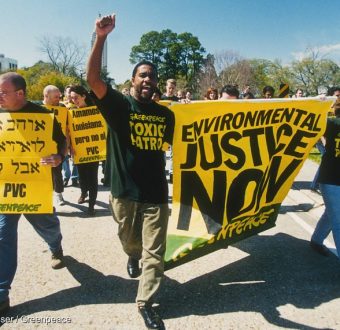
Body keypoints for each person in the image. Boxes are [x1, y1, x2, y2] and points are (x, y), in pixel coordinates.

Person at [87, 13, 175, 330]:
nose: (148, 79)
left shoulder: (167, 116)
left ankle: (146, 303)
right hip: (123, 193)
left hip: (156, 196)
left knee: (156, 251)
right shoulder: (118, 106)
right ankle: (131, 254)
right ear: (133, 80)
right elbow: (94, 80)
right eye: (142, 75)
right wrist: (101, 37)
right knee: (130, 242)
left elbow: (173, 149)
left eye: (152, 75)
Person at [0, 72, 66, 317]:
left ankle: (56, 246)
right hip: (7, 190)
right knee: (2, 235)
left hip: (35, 187)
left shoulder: (44, 116)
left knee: (47, 225)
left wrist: (59, 157)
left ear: (20, 93)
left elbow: (62, 142)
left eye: (3, 92)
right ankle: (1, 294)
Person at [310, 99, 340, 258]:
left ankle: (316, 240)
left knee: (332, 213)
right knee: (338, 220)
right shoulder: (332, 123)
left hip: (332, 179)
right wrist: (318, 103)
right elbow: (311, 118)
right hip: (331, 180)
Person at [69, 85, 99, 216]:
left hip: (94, 150)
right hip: (79, 150)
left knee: (93, 178)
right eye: (71, 98)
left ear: (83, 96)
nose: (74, 101)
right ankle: (83, 192)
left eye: (76, 98)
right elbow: (69, 132)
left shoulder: (96, 111)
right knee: (82, 176)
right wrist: (70, 146)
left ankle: (91, 205)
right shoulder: (71, 113)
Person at [42, 85, 66, 206]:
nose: (59, 99)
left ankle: (58, 194)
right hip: (40, 147)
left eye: (59, 96)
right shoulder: (37, 109)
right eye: (56, 97)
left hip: (57, 146)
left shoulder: (63, 108)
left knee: (57, 172)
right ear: (46, 96)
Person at [61, 84, 79, 187]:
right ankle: (66, 176)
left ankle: (75, 177)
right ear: (65, 93)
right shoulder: (61, 106)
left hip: (76, 134)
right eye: (68, 92)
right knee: (64, 156)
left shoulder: (78, 106)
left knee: (76, 156)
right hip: (64, 135)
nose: (70, 94)